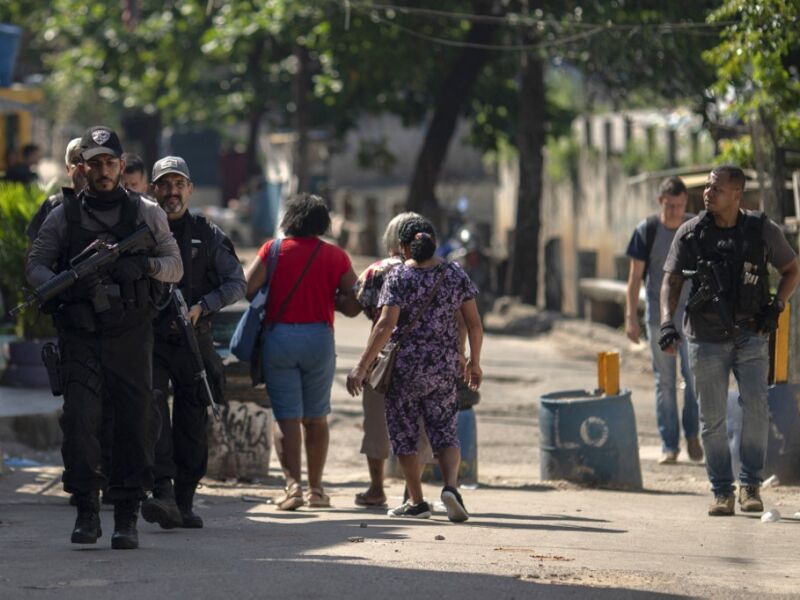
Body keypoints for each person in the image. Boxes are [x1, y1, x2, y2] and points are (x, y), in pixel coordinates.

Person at [26, 126, 183, 549]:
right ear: (82, 167)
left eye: (110, 162)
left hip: (130, 335)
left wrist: (144, 266)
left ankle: (127, 515)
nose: (103, 170)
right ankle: (86, 509)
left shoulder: (145, 212)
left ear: (120, 163)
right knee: (80, 421)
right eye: (93, 163)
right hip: (81, 336)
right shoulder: (65, 214)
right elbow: (36, 265)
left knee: (134, 424)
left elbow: (174, 265)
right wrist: (65, 284)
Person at [660, 165, 799, 516]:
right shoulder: (692, 232)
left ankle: (750, 486)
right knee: (711, 419)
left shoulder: (761, 230)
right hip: (704, 339)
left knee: (755, 409)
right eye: (707, 186)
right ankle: (722, 491)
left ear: (737, 194)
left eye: (717, 189)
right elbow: (671, 281)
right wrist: (666, 322)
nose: (708, 193)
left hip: (751, 335)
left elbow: (792, 269)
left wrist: (778, 305)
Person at [346, 216, 483, 523]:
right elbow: (473, 322)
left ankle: (417, 500)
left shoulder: (397, 277)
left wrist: (362, 365)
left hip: (404, 372)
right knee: (445, 432)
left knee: (406, 436)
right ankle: (451, 488)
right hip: (443, 370)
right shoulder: (454, 273)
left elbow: (385, 325)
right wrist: (473, 361)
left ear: (404, 247)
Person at [141, 156, 246, 529]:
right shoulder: (142, 230)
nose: (172, 192)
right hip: (150, 340)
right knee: (151, 413)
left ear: (189, 189)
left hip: (192, 340)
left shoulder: (208, 233)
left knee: (193, 418)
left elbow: (237, 283)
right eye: (164, 185)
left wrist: (204, 305)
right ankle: (163, 492)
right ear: (154, 191)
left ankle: (184, 500)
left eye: (178, 185)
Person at [244, 193, 359, 510]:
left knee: (286, 418)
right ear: (323, 223)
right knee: (317, 417)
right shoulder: (335, 256)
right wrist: (331, 299)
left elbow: (246, 286)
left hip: (280, 338)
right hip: (319, 339)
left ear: (289, 218)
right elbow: (355, 302)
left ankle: (292, 486)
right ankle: (317, 490)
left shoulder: (274, 250)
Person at [353, 212, 434, 508]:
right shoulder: (442, 271)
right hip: (426, 360)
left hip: (382, 359)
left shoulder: (377, 271)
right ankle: (413, 491)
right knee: (420, 426)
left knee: (376, 422)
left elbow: (364, 307)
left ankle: (377, 488)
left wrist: (362, 365)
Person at [625, 177, 701, 465]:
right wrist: (630, 317)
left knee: (694, 380)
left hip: (692, 319)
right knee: (665, 382)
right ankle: (670, 444)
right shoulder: (647, 230)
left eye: (680, 206)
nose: (674, 212)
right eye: (670, 205)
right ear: (661, 201)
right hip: (659, 319)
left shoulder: (695, 228)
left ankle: (692, 434)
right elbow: (634, 279)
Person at [26, 138, 85, 245]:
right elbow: (32, 252)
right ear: (68, 169)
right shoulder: (53, 204)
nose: (81, 166)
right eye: (76, 161)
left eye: (87, 161)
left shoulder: (108, 204)